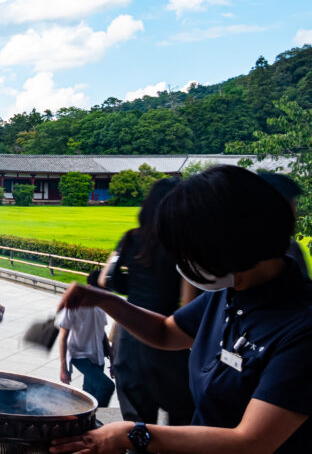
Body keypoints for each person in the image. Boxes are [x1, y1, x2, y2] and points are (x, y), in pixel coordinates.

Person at [50, 165, 312, 454]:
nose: (183, 262)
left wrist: (133, 434)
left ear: (232, 243)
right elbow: (167, 332)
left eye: (190, 250)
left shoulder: (302, 328)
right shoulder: (232, 291)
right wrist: (105, 300)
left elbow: (251, 441)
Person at [98, 177, 196, 425]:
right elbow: (188, 301)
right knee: (180, 422)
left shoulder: (130, 238)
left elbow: (105, 279)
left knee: (136, 426)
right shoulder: (185, 245)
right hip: (169, 338)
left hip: (130, 338)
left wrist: (134, 287)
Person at [59, 271, 115, 407]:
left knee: (90, 393)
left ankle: (84, 421)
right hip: (80, 356)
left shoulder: (101, 307)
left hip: (98, 356)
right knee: (107, 387)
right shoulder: (74, 305)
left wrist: (112, 358)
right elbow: (63, 336)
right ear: (90, 288)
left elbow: (102, 334)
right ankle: (94, 416)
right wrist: (63, 367)